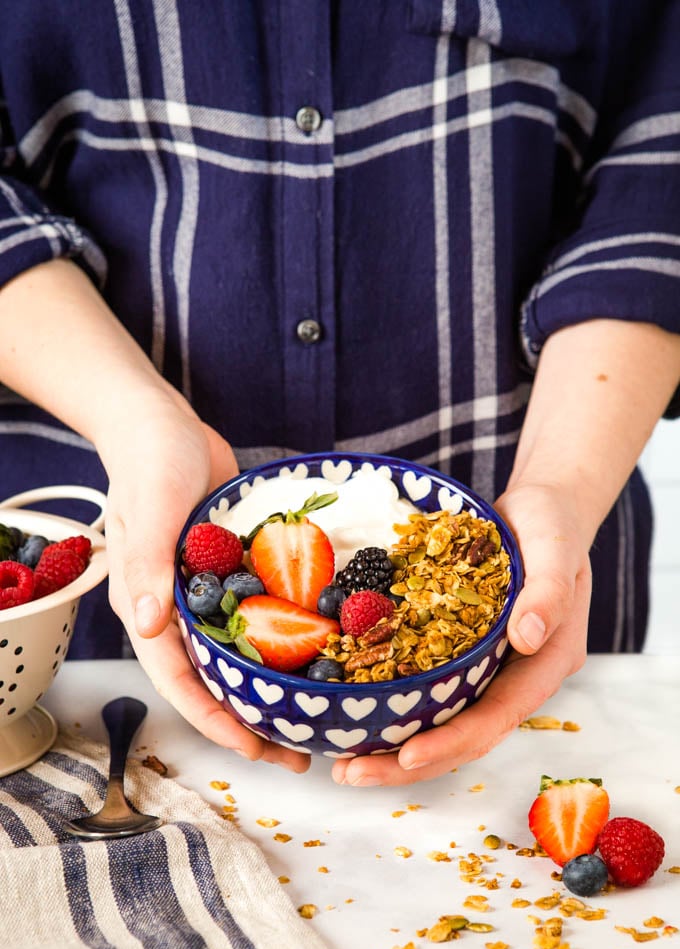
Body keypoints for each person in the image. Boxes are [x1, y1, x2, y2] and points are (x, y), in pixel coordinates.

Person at [0, 2, 678, 786]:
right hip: (83, 642)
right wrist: (138, 424)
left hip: (545, 573)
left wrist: (562, 486)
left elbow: (656, 168)